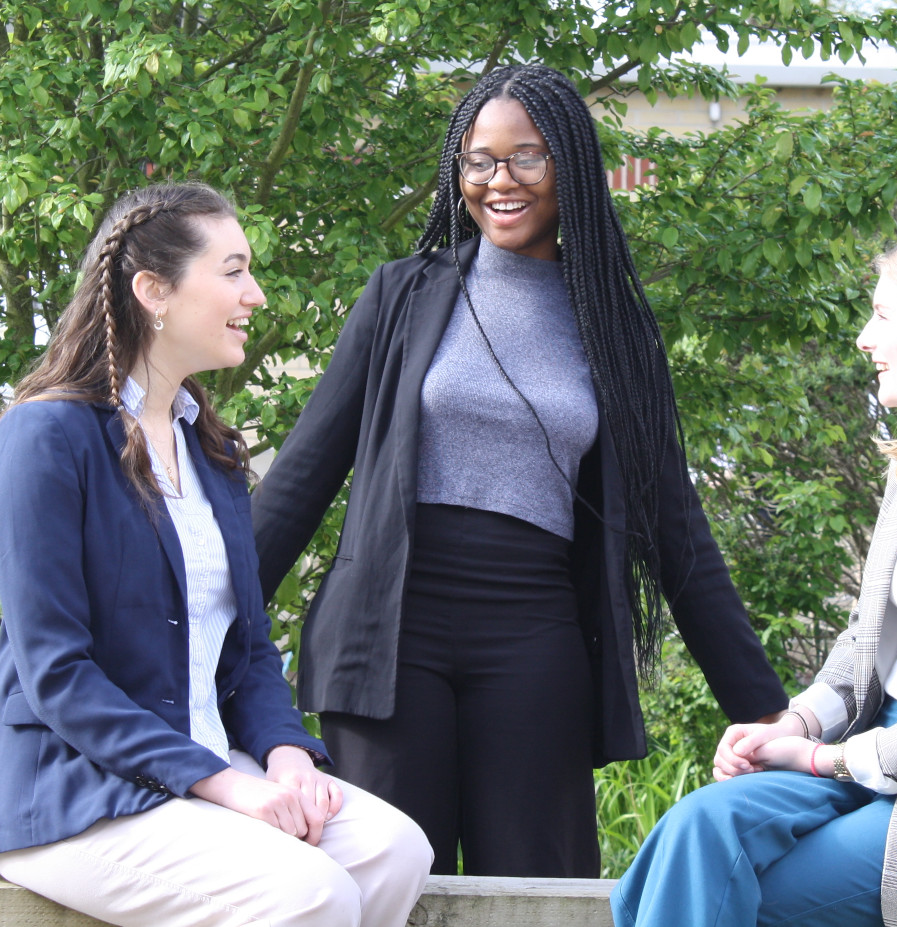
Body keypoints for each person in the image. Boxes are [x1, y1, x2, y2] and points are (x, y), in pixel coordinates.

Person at [251, 64, 788, 879]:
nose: (499, 181)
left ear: (570, 165)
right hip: (390, 638)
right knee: (388, 885)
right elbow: (298, 480)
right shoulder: (401, 295)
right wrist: (176, 625)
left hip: (534, 639)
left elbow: (678, 532)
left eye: (526, 157)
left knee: (537, 887)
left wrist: (770, 712)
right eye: (478, 160)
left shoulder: (614, 331)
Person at [0, 182, 432, 927]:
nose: (256, 294)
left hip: (201, 765)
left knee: (395, 849)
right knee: (309, 892)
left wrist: (286, 754)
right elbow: (57, 675)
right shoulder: (46, 438)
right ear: (153, 291)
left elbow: (249, 650)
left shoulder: (214, 450)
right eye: (233, 271)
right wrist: (226, 784)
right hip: (71, 786)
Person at [611, 220, 897, 927]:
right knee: (691, 833)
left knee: (731, 896)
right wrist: (797, 718)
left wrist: (824, 758)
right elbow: (868, 637)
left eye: (883, 314)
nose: (864, 337)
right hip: (873, 750)